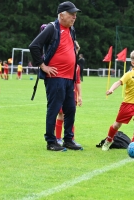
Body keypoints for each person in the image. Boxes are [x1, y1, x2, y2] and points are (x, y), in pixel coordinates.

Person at [29, 1, 82, 151]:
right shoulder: (52, 28)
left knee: (70, 109)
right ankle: (51, 141)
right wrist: (43, 66)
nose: (74, 17)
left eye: (75, 14)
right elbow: (34, 46)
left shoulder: (71, 30)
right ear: (61, 15)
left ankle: (68, 140)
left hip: (68, 78)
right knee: (54, 109)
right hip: (56, 77)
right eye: (71, 14)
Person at [56, 41, 82, 146]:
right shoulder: (62, 63)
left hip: (72, 94)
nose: (75, 53)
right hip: (62, 93)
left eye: (76, 51)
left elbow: (78, 81)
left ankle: (71, 138)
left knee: (71, 116)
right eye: (74, 50)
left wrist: (80, 95)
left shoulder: (77, 67)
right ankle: (58, 138)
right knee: (61, 115)